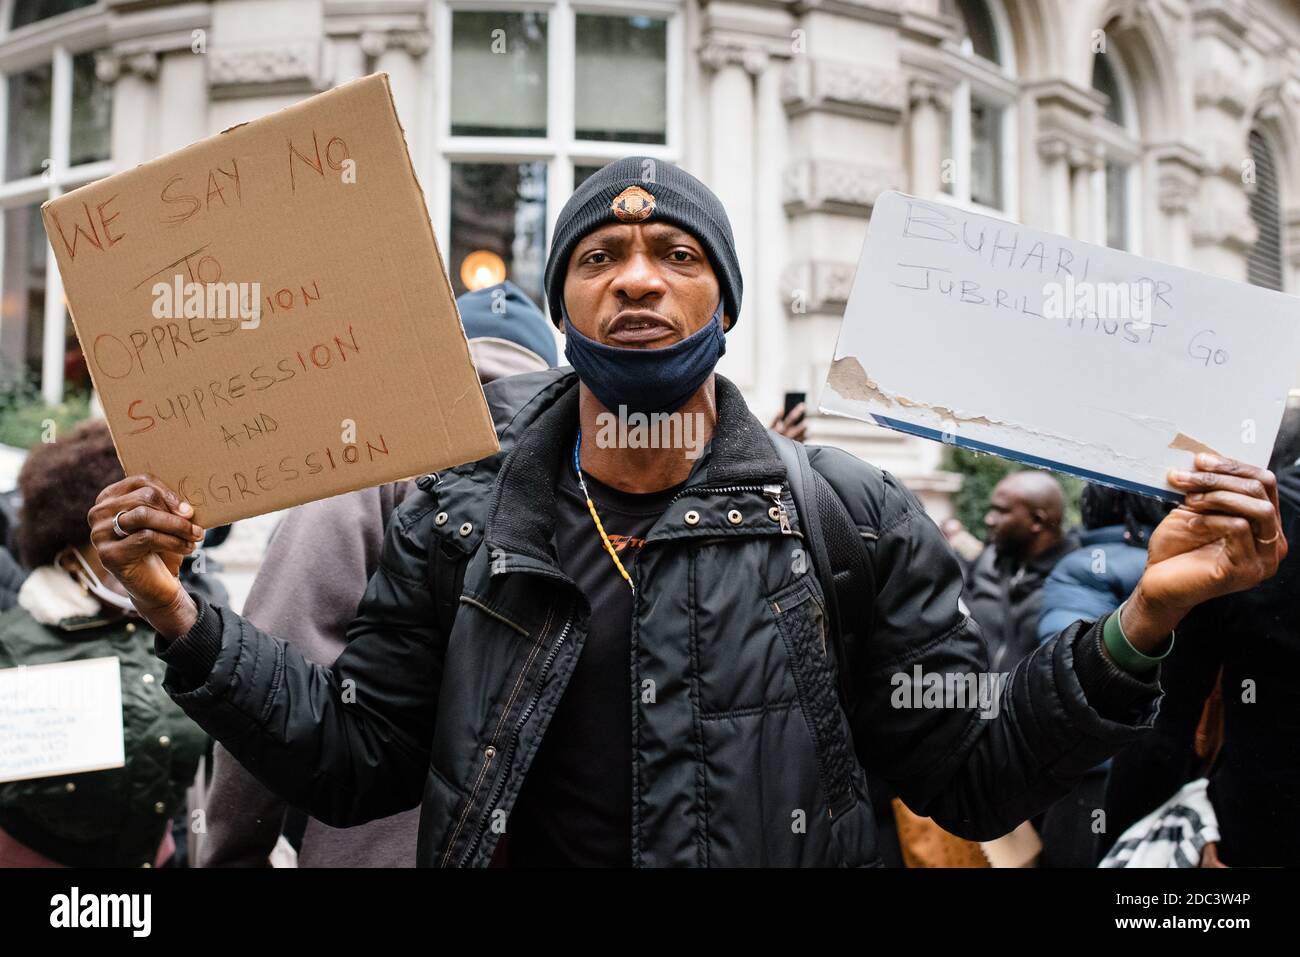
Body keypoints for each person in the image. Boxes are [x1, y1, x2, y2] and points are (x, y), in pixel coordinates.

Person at [89, 157, 1285, 867]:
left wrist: (1140, 620)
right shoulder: (456, 521)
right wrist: (181, 613)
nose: (640, 279)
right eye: (601, 255)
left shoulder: (851, 520)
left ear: (724, 298)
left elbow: (971, 774)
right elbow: (352, 761)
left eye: (674, 251)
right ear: (563, 305)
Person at [196, 281, 557, 867]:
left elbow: (277, 659)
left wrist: (234, 850)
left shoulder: (376, 458)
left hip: (373, 846)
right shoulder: (591, 477)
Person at [0, 420, 207, 867]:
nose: (142, 563)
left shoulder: (181, 634)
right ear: (71, 554)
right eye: (121, 545)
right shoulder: (11, 645)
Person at [1102, 412, 1300, 867]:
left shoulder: (1248, 525)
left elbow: (1165, 725)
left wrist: (1124, 843)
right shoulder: (1248, 522)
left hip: (1256, 832)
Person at [1031, 484, 1171, 867]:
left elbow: (1069, 674)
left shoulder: (1083, 566)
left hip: (1093, 771)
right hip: (1164, 765)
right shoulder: (1195, 565)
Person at [965, 470, 1077, 674]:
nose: (989, 519)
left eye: (1001, 511)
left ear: (1037, 521)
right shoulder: (986, 562)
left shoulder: (1073, 580)